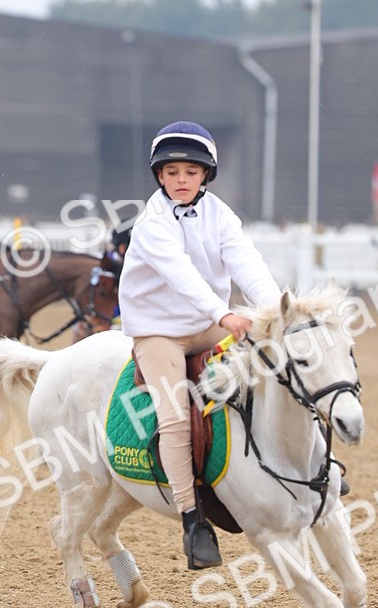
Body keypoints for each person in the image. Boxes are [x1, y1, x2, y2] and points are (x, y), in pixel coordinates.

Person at [119, 121, 282, 569]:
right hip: (158, 330)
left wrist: (274, 311)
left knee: (279, 363)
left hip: (209, 321)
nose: (181, 180)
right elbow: (182, 277)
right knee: (173, 417)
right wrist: (225, 315)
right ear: (159, 176)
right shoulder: (151, 223)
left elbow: (247, 263)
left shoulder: (222, 215)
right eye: (171, 172)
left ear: (205, 175)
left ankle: (308, 461)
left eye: (190, 172)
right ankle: (193, 519)